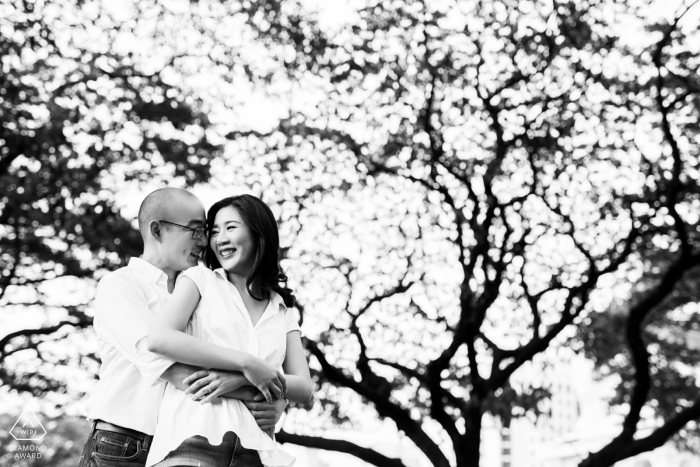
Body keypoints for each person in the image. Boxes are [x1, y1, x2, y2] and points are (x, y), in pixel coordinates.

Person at [79, 188, 288, 467]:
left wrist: (276, 402)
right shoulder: (120, 286)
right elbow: (171, 369)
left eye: (205, 231)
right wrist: (260, 393)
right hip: (123, 444)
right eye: (195, 230)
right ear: (157, 230)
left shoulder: (203, 292)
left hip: (178, 443)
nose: (204, 240)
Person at [142, 194, 313, 467]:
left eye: (231, 227)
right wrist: (247, 364)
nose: (220, 238)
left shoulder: (283, 310)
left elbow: (304, 388)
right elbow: (160, 338)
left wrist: (242, 379)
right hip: (193, 440)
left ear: (259, 234)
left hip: (258, 453)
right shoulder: (201, 280)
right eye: (214, 231)